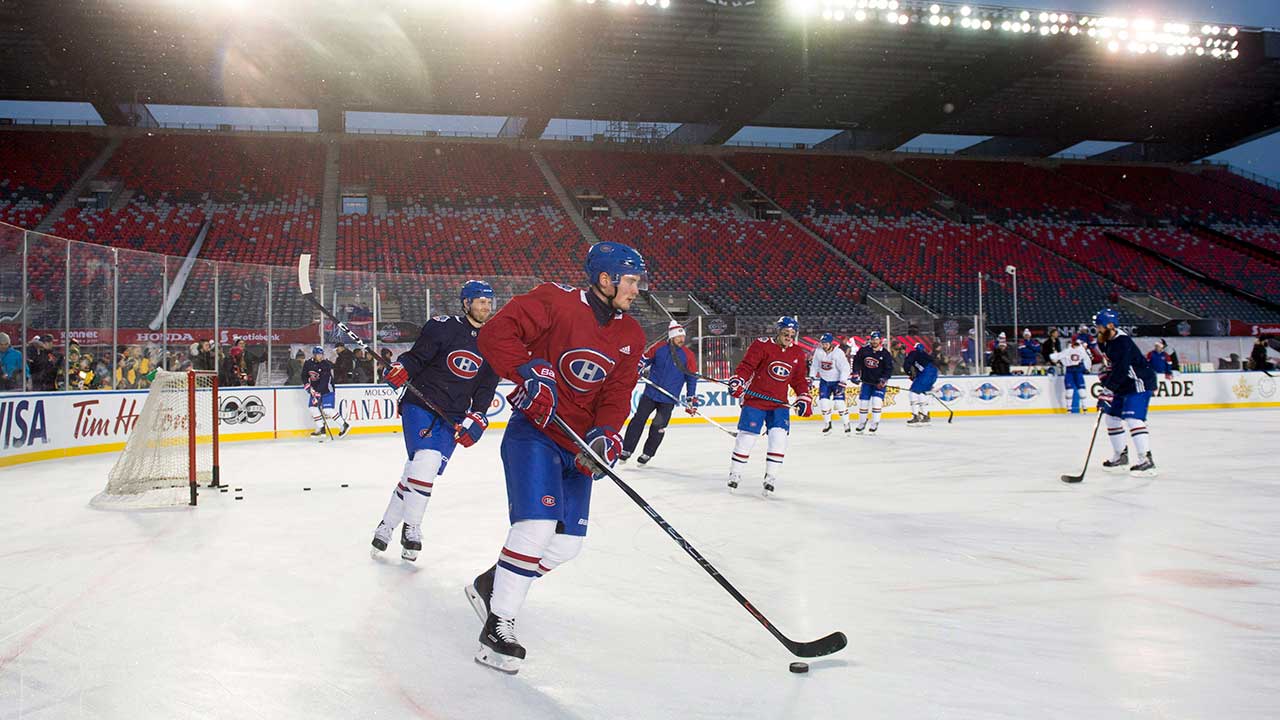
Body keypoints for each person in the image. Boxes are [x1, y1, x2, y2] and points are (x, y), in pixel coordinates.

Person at [464, 241, 648, 675]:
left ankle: (492, 584)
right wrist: (528, 370)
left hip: (577, 446)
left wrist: (607, 434)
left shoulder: (631, 335)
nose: (636, 290)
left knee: (567, 545)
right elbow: (495, 334)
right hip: (535, 434)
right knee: (537, 526)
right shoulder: (554, 301)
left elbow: (617, 394)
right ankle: (498, 625)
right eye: (631, 280)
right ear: (605, 279)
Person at [373, 281, 500, 562]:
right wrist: (402, 368)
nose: (486, 307)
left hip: (452, 417)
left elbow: (486, 386)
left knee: (418, 471)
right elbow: (417, 358)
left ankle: (386, 526)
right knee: (427, 460)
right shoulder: (442, 327)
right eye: (481, 301)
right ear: (466, 303)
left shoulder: (494, 341)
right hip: (420, 404)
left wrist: (479, 414)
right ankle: (412, 528)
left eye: (489, 302)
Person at [725, 316, 812, 495]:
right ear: (778, 331)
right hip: (756, 401)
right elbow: (747, 366)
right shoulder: (762, 345)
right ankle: (735, 473)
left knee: (779, 437)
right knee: (747, 437)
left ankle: (770, 477)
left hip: (779, 404)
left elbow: (798, 380)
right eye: (786, 333)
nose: (789, 337)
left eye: (792, 334)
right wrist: (738, 380)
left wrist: (804, 396)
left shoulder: (797, 352)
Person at [621, 320, 697, 464]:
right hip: (650, 394)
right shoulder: (659, 348)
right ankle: (627, 449)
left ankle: (648, 453)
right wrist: (637, 369)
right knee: (638, 420)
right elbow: (643, 360)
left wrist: (691, 398)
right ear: (671, 337)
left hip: (668, 399)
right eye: (678, 337)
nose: (682, 339)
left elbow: (691, 378)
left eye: (683, 336)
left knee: (658, 426)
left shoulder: (688, 355)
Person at [1094, 309, 1157, 476]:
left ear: (1110, 325)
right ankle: (1120, 456)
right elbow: (1111, 366)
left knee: (1133, 419)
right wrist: (1105, 377)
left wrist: (1108, 390)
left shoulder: (1122, 342)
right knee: (1111, 418)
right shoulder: (1103, 341)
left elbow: (1122, 369)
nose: (1097, 329)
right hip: (1123, 383)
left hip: (1138, 382)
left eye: (1100, 326)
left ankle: (1146, 460)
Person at [302, 346, 350, 440]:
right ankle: (321, 428)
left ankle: (344, 425)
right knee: (312, 408)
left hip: (328, 390)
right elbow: (304, 375)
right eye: (318, 354)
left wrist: (318, 392)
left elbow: (325, 381)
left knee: (327, 410)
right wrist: (308, 386)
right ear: (314, 355)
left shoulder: (325, 364)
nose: (320, 356)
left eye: (321, 354)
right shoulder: (308, 363)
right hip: (315, 390)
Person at [851, 331, 894, 433]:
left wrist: (884, 379)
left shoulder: (885, 353)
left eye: (876, 339)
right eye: (873, 339)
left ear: (880, 340)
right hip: (866, 382)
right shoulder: (864, 350)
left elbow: (889, 369)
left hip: (879, 383)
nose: (874, 341)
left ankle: (875, 423)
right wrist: (855, 373)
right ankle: (862, 423)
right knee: (863, 403)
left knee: (876, 402)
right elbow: (857, 362)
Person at [808, 332, 852, 433]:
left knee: (839, 403)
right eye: (822, 343)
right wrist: (811, 377)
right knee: (823, 403)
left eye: (826, 343)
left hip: (837, 381)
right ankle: (827, 424)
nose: (824, 345)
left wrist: (842, 382)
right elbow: (815, 365)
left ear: (831, 343)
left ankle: (846, 423)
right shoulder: (818, 352)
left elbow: (845, 368)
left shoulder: (838, 353)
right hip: (824, 381)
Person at [1050, 334, 1090, 414]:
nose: (1076, 345)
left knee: (1081, 390)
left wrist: (1087, 367)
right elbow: (1057, 356)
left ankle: (1084, 408)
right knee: (1069, 390)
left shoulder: (1080, 350)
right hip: (1070, 370)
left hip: (1077, 370)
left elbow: (1087, 359)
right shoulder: (1068, 350)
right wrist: (1055, 357)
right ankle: (1069, 409)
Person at [903, 342, 938, 425]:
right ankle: (925, 415)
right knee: (922, 393)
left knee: (913, 392)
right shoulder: (926, 355)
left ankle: (915, 416)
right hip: (933, 373)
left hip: (926, 373)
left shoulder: (913, 353)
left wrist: (909, 373)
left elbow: (907, 364)